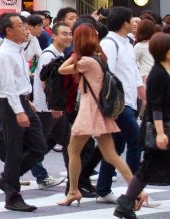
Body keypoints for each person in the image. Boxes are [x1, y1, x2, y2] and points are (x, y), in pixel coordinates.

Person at [57, 22, 139, 208]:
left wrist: (74, 54)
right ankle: (137, 191)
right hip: (100, 112)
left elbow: (62, 69)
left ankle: (73, 191)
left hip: (89, 112)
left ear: (79, 41)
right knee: (111, 155)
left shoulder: (86, 61)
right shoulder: (99, 58)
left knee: (73, 150)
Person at [0, 13, 48, 212]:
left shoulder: (18, 49)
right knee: (14, 152)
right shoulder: (4, 53)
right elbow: (8, 87)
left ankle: (7, 178)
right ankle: (12, 197)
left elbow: (20, 81)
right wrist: (19, 111)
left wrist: (28, 102)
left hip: (22, 102)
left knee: (39, 147)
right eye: (20, 26)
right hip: (10, 105)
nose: (25, 30)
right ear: (8, 30)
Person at [114, 31, 170, 218]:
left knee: (149, 166)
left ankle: (126, 201)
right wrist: (160, 133)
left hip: (165, 126)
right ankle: (126, 201)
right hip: (159, 127)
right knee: (149, 166)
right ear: (165, 51)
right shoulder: (157, 74)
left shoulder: (166, 69)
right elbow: (156, 106)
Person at [33, 22, 72, 190]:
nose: (68, 37)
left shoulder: (60, 54)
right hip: (48, 108)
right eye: (64, 34)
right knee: (37, 147)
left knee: (66, 143)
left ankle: (76, 178)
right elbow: (45, 81)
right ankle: (12, 174)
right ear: (54, 36)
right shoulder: (49, 55)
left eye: (70, 34)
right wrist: (54, 105)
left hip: (54, 108)